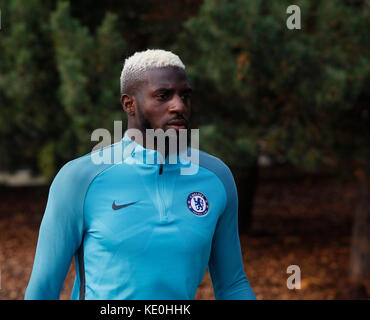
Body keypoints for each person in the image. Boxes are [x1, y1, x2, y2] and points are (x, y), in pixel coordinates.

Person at [25, 49, 256, 300]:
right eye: (163, 95)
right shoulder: (79, 179)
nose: (178, 105)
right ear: (129, 104)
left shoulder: (216, 178)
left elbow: (232, 284)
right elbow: (43, 289)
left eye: (185, 95)